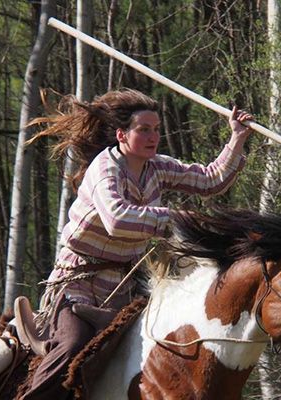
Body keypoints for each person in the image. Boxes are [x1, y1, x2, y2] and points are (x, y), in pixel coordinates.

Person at [17, 88, 253, 399]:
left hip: (126, 285)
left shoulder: (158, 166)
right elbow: (117, 219)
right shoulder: (105, 168)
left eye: (156, 129)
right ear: (121, 135)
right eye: (143, 129)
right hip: (77, 285)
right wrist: (170, 218)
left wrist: (236, 138)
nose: (153, 136)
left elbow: (209, 180)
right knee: (73, 345)